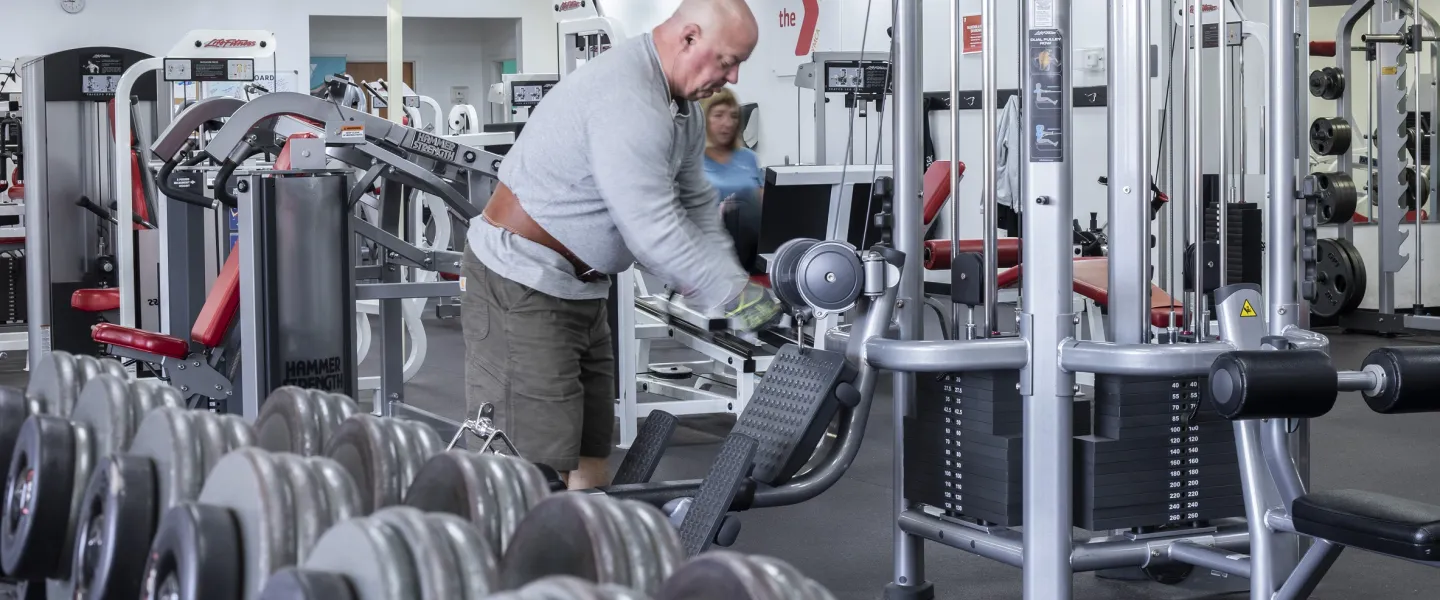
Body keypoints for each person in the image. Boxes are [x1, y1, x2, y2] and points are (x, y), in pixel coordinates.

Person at [462, 0, 781, 490]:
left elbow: (695, 203)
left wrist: (737, 280)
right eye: (727, 60)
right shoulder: (629, 98)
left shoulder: (682, 110)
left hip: (584, 290)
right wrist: (738, 301)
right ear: (689, 38)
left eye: (739, 63)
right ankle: (515, 563)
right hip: (523, 281)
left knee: (590, 451)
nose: (733, 75)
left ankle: (589, 556)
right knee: (530, 467)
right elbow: (651, 230)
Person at [701, 88, 765, 274]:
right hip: (710, 253)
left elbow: (762, 202)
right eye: (718, 115)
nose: (727, 123)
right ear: (704, 120)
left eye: (733, 116)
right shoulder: (691, 159)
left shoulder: (748, 158)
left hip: (750, 255)